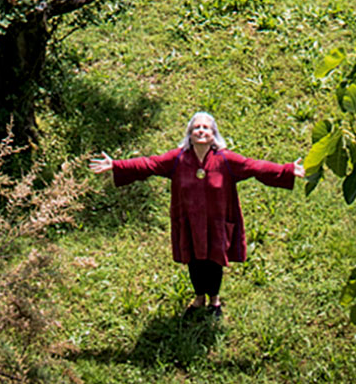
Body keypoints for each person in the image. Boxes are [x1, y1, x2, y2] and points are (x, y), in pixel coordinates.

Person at [91, 110, 297, 311]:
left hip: (217, 222)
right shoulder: (178, 159)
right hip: (189, 222)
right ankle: (199, 298)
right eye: (196, 127)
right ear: (190, 133)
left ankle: (215, 301)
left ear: (213, 134)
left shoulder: (226, 160)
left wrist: (286, 170)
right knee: (194, 261)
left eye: (206, 127)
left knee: (214, 261)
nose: (201, 131)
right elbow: (149, 164)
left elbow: (254, 166)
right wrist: (117, 166)